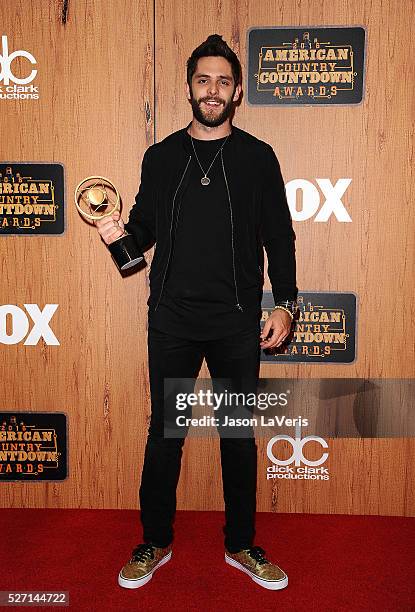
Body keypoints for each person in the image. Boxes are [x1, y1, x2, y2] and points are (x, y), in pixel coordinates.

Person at [95, 34, 298, 591]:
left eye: (223, 81)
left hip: (236, 322)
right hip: (173, 322)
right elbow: (139, 239)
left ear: (237, 92)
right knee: (166, 435)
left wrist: (285, 302)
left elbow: (279, 237)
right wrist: (116, 235)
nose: (213, 90)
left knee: (237, 436)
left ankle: (241, 545)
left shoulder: (258, 157)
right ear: (190, 87)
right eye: (203, 80)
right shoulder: (160, 157)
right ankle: (154, 541)